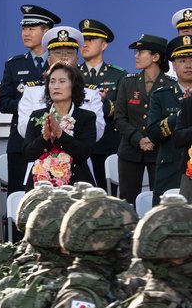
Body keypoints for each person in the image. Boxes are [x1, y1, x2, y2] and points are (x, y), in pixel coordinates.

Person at [0, 4, 59, 196]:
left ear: (46, 31)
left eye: (32, 28)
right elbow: (3, 102)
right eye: (24, 28)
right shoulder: (14, 64)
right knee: (19, 196)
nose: (26, 33)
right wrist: (29, 107)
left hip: (56, 141)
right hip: (21, 141)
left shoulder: (60, 63)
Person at [111, 33, 172, 205]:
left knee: (160, 203)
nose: (136, 56)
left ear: (155, 57)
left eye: (140, 52)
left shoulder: (170, 85)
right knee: (127, 203)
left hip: (159, 152)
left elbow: (172, 119)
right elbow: (119, 118)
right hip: (130, 151)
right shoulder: (127, 82)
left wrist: (152, 138)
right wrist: (139, 139)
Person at [23, 61, 97, 187]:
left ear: (74, 86)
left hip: (77, 184)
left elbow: (84, 153)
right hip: (41, 182)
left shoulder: (86, 117)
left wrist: (60, 135)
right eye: (52, 82)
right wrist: (44, 138)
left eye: (62, 81)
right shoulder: (37, 116)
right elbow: (28, 154)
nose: (55, 86)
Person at [79, 18, 125, 190]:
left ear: (104, 45)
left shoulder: (118, 75)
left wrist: (102, 103)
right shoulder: (72, 74)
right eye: (83, 40)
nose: (85, 44)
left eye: (90, 40)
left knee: (107, 198)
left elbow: (122, 110)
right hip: (79, 146)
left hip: (107, 145)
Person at [148, 33, 192, 197]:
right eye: (182, 61)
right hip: (170, 169)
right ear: (173, 65)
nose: (189, 65)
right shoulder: (161, 95)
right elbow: (153, 134)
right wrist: (182, 112)